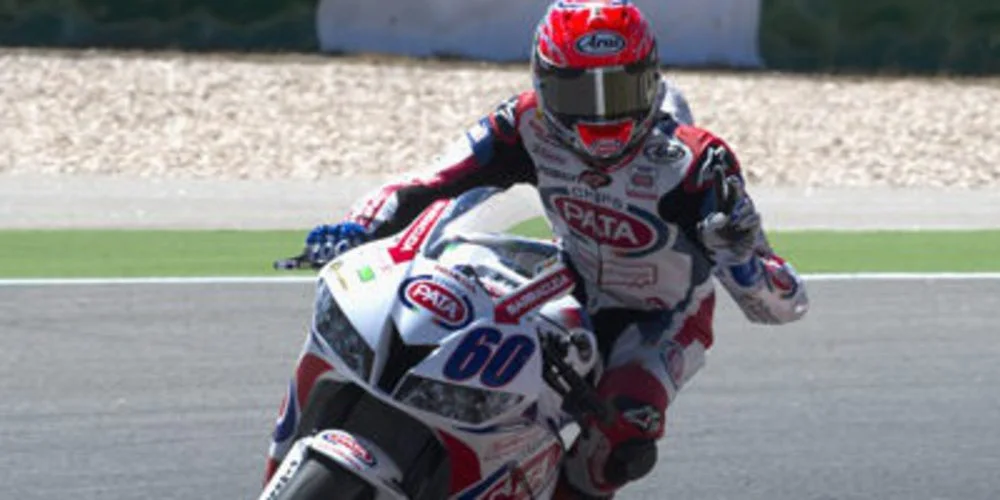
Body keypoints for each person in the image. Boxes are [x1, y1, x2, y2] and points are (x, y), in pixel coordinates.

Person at [268, 0, 809, 497]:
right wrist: (357, 225)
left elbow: (784, 305)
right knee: (448, 336)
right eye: (579, 96)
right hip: (565, 283)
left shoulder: (696, 165)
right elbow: (428, 182)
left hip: (659, 320)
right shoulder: (524, 123)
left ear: (651, 82)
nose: (600, 119)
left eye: (618, 93)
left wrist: (740, 258)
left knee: (619, 442)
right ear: (544, 84)